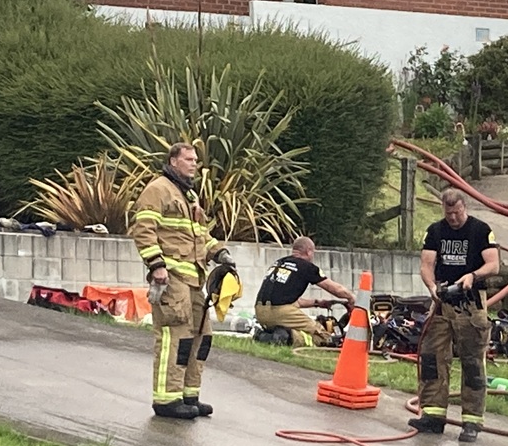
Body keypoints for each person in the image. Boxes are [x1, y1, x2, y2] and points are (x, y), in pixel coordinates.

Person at [130, 142, 234, 420]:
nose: (194, 164)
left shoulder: (189, 196)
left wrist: (220, 253)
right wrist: (156, 265)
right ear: (174, 161)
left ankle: (189, 395)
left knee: (201, 336)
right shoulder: (157, 189)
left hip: (194, 279)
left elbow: (201, 235)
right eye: (189, 159)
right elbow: (144, 230)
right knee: (174, 336)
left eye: (196, 160)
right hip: (171, 277)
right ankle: (166, 400)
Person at [409, 188, 500, 442]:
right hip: (442, 303)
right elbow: (426, 265)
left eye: (457, 213)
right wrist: (432, 288)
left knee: (471, 362)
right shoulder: (435, 231)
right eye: (448, 214)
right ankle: (433, 415)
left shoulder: (480, 230)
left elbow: (493, 264)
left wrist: (472, 276)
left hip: (470, 304)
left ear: (464, 208)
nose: (453, 218)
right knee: (432, 357)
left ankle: (471, 422)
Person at [254, 237, 356, 347]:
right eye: (313, 252)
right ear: (309, 251)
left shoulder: (279, 263)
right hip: (279, 313)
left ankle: (266, 335)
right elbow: (335, 289)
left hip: (260, 312)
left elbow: (287, 300)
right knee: (323, 335)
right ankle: (285, 337)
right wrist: (351, 298)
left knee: (294, 324)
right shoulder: (306, 267)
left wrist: (317, 303)